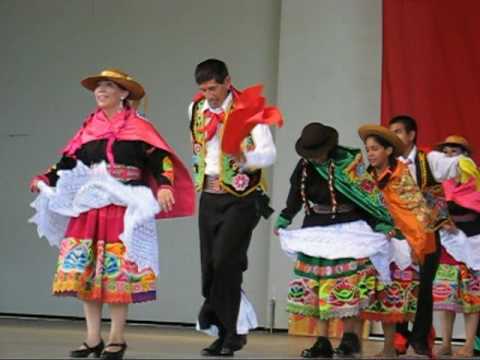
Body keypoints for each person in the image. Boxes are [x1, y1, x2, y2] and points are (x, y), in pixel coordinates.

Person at [30, 68, 195, 359]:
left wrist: (166, 186)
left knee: (117, 274)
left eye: (108, 86)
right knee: (87, 271)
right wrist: (46, 178)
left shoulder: (139, 128)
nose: (101, 91)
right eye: (98, 87)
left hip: (123, 205)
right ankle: (92, 338)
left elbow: (160, 159)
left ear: (124, 93)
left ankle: (117, 338)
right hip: (89, 206)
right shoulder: (88, 129)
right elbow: (67, 162)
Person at [274, 122, 401, 358]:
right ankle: (322, 341)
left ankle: (350, 338)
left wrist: (379, 223)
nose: (315, 158)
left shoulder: (348, 164)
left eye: (317, 153)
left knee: (347, 284)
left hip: (350, 228)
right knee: (319, 286)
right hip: (317, 230)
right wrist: (285, 217)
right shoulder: (304, 166)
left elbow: (365, 196)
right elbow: (295, 197)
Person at [189, 59, 282, 356]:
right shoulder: (196, 110)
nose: (209, 94)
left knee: (225, 260)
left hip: (242, 198)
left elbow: (269, 153)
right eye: (204, 89)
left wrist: (246, 158)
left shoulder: (248, 110)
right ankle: (227, 330)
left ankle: (230, 330)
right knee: (210, 266)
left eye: (214, 87)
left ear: (228, 81)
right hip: (210, 195)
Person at [359, 124, 439, 358]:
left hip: (406, 242)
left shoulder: (401, 175)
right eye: (368, 149)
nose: (371, 153)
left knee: (405, 295)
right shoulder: (368, 176)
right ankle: (389, 346)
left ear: (388, 151)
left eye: (375, 149)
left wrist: (418, 244)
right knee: (385, 296)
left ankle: (417, 340)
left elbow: (416, 210)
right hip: (380, 243)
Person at [388, 115, 460, 355]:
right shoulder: (389, 163)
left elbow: (450, 166)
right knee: (399, 281)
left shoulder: (428, 158)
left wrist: (460, 162)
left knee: (425, 284)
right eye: (391, 132)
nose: (394, 136)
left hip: (427, 231)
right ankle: (400, 333)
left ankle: (420, 336)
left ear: (411, 135)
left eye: (398, 131)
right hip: (399, 233)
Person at [432, 135, 480, 357]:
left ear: (465, 158)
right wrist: (443, 221)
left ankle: (469, 344)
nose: (449, 157)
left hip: (473, 244)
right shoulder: (439, 184)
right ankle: (446, 342)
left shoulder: (477, 182)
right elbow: (430, 208)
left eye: (455, 153)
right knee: (446, 295)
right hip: (447, 245)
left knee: (473, 296)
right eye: (446, 153)